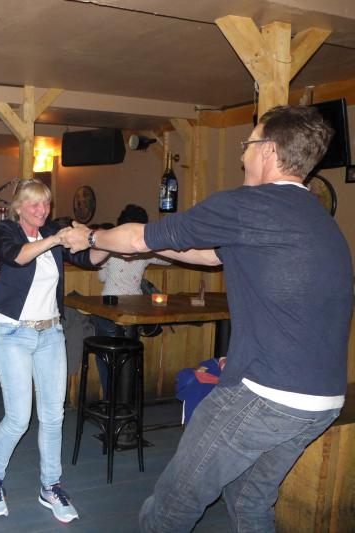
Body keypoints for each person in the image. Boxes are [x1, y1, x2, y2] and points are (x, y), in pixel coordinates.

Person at [61, 105, 351, 532]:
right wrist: (148, 246)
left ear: (269, 151)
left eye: (248, 144)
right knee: (249, 501)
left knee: (170, 508)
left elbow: (137, 235)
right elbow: (210, 255)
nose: (242, 155)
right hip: (320, 400)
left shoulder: (248, 205)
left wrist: (89, 236)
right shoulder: (314, 217)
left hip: (266, 393)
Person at [0, 178, 106, 524]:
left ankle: (50, 487)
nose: (42, 210)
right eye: (35, 204)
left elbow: (88, 258)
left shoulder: (51, 233)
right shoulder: (6, 230)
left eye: (46, 203)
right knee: (18, 418)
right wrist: (55, 238)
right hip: (13, 334)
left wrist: (105, 243)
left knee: (53, 416)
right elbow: (17, 258)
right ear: (19, 207)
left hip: (51, 333)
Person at [92, 204, 169, 390]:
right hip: (135, 308)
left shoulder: (110, 248)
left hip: (109, 306)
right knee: (128, 354)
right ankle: (127, 395)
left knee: (105, 354)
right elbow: (168, 260)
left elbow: (102, 277)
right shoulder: (144, 253)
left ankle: (110, 395)